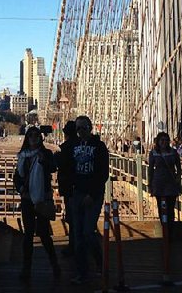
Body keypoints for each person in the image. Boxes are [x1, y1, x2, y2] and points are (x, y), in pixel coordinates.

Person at [13, 126, 60, 280]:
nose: (34, 138)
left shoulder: (45, 153)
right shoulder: (22, 156)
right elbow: (17, 177)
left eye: (36, 135)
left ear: (40, 138)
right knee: (28, 235)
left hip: (42, 198)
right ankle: (26, 269)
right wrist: (20, 189)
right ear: (27, 138)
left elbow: (53, 168)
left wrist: (44, 160)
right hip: (27, 199)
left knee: (44, 234)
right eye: (31, 135)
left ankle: (55, 266)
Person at [68, 115, 109, 285]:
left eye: (83, 128)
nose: (80, 131)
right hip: (77, 194)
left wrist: (91, 195)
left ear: (90, 128)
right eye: (77, 129)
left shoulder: (99, 147)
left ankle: (100, 263)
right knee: (78, 235)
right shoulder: (74, 145)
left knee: (87, 232)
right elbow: (68, 168)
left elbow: (102, 173)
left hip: (94, 194)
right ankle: (82, 272)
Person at [148, 132, 182, 224]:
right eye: (162, 140)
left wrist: (178, 179)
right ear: (158, 141)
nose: (164, 142)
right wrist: (150, 184)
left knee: (170, 208)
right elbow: (150, 169)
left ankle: (170, 230)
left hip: (171, 183)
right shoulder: (153, 153)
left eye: (166, 140)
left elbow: (179, 167)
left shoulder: (173, 152)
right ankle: (164, 228)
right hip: (159, 183)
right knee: (161, 208)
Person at [55, 120, 78, 258]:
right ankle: (77, 245)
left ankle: (74, 246)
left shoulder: (66, 148)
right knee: (78, 217)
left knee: (72, 217)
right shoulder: (80, 146)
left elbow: (61, 165)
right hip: (79, 187)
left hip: (69, 187)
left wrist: (57, 157)